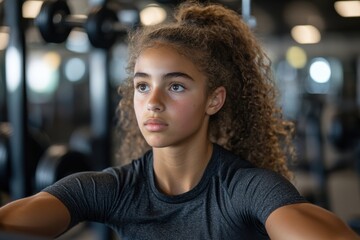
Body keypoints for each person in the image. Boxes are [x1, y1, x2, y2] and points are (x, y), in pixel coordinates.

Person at [0, 1, 359, 239]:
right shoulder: (115, 190)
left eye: (175, 86)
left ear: (214, 100)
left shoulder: (244, 189)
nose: (153, 102)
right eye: (142, 86)